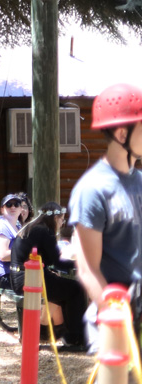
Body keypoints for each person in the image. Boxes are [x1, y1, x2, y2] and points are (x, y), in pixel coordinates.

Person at [68, 82, 142, 352]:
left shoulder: (140, 181)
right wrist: (114, 319)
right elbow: (88, 270)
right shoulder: (92, 190)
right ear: (122, 134)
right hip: (118, 315)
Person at [10, 202, 87, 349]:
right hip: (29, 278)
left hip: (19, 277)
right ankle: (76, 338)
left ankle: (67, 335)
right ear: (55, 218)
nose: (62, 223)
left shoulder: (31, 227)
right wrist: (81, 265)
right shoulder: (45, 231)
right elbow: (57, 262)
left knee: (67, 290)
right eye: (62, 219)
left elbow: (49, 261)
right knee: (77, 289)